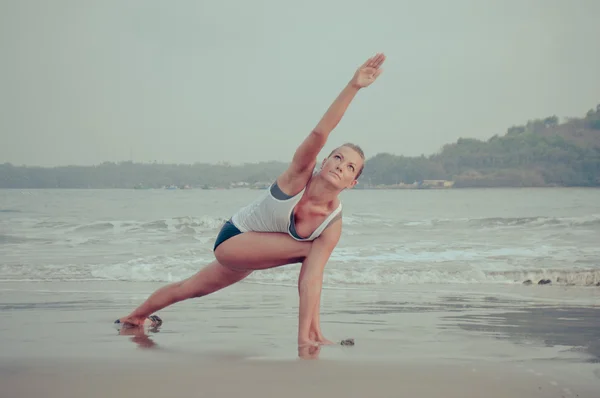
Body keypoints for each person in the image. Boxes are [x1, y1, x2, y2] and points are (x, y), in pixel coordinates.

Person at [115, 52, 386, 349]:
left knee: (189, 289)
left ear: (353, 183)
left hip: (250, 257)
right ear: (323, 161)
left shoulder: (332, 224)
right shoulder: (298, 176)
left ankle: (134, 317)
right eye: (337, 157)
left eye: (350, 167)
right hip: (233, 238)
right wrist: (353, 86)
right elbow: (321, 131)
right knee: (311, 252)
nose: (340, 165)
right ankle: (308, 338)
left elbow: (312, 281)